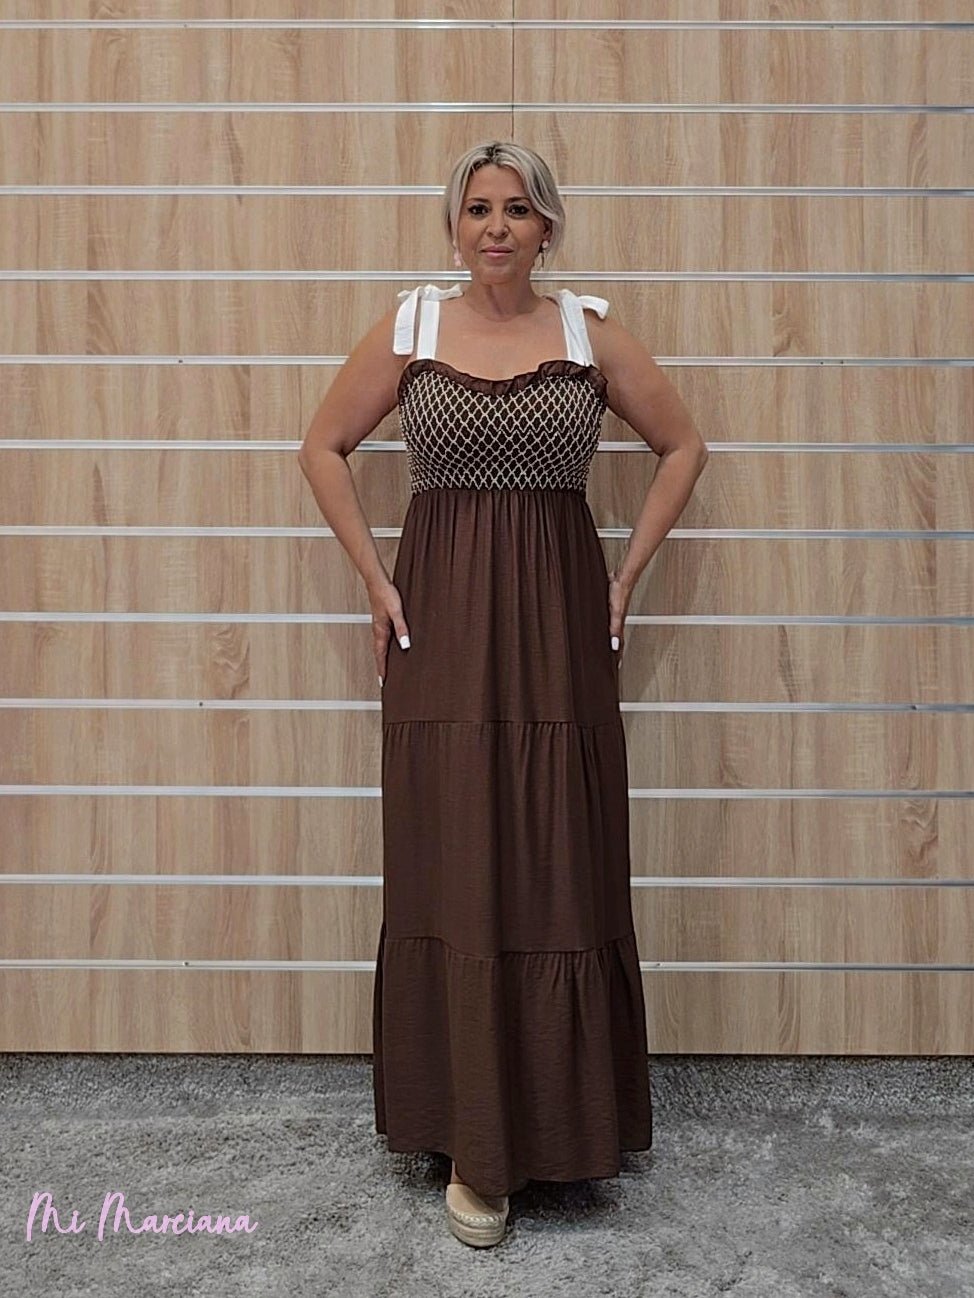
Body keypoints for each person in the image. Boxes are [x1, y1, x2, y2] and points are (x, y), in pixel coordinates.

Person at [297, 140, 709, 1248]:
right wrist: (376, 579)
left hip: (558, 624)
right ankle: (472, 1139)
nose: (495, 227)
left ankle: (565, 1126)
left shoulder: (587, 334)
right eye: (477, 208)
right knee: (455, 857)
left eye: (516, 209)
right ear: (454, 225)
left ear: (546, 228)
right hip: (439, 626)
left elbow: (681, 445)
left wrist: (624, 575)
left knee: (555, 853)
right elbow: (322, 446)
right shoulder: (410, 330)